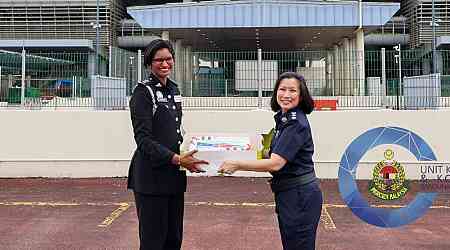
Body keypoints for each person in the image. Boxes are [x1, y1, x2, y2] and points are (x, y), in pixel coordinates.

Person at [218, 72, 323, 250]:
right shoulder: (284, 119)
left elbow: (276, 163)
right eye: (282, 89)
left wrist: (237, 164)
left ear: (301, 94)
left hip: (299, 196)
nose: (286, 95)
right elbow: (273, 155)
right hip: (291, 194)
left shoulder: (294, 123)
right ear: (275, 92)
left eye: (292, 90)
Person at [128, 39, 208, 250]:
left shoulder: (174, 89)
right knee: (154, 241)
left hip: (174, 177)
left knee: (173, 240)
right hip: (151, 178)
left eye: (168, 59)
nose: (165, 64)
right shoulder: (142, 93)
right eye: (159, 60)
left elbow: (175, 132)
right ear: (149, 63)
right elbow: (143, 140)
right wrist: (176, 159)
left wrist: (189, 152)